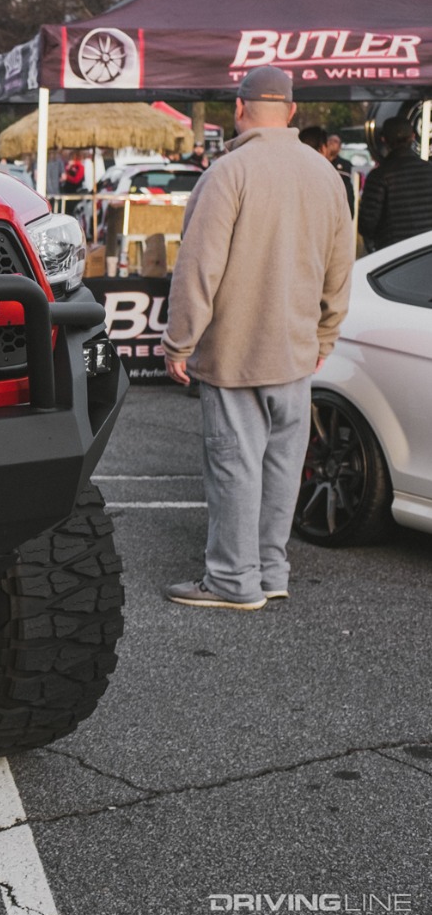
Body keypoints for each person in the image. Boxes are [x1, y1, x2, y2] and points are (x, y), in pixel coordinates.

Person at [160, 66, 354, 611]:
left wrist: (179, 342)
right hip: (296, 351)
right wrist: (325, 336)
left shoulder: (228, 172)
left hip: (235, 352)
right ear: (291, 112)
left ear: (239, 109)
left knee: (235, 466)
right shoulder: (326, 176)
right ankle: (270, 570)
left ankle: (231, 580)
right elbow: (340, 268)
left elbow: (198, 268)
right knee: (282, 468)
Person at [358, 115, 432, 251]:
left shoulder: (378, 176)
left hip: (395, 255)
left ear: (384, 139)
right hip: (426, 253)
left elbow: (366, 224)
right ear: (413, 136)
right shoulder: (429, 170)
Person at [299, 125, 354, 215]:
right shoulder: (327, 177)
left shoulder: (344, 166)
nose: (332, 143)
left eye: (335, 141)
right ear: (323, 148)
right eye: (330, 141)